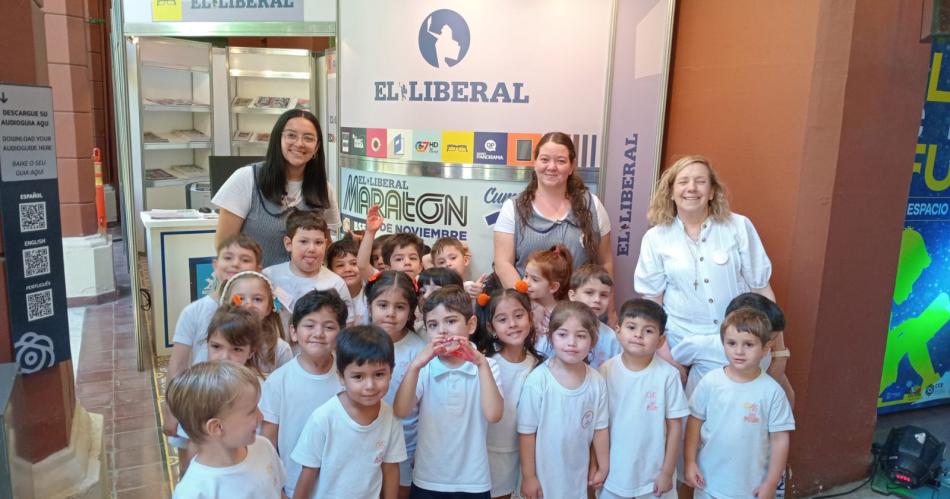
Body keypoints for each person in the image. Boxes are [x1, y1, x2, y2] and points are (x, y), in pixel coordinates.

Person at [634, 155, 774, 353]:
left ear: (712, 192)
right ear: (671, 193)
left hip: (736, 346)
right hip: (678, 344)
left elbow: (761, 289)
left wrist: (778, 350)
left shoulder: (739, 226)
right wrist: (666, 357)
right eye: (683, 182)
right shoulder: (655, 238)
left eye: (700, 181)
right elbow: (651, 303)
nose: (691, 188)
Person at [393, 286, 503, 498]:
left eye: (451, 321)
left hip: (473, 481)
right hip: (427, 478)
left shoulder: (487, 366)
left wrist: (480, 363)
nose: (442, 330)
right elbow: (401, 410)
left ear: (471, 325)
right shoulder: (424, 367)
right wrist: (415, 366)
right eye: (433, 325)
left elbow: (494, 414)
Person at [163, 234, 262, 469]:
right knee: (193, 467)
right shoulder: (194, 312)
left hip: (239, 412)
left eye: (245, 259)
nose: (235, 264)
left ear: (258, 269)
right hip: (199, 405)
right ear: (215, 265)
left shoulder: (259, 315)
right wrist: (171, 411)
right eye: (228, 257)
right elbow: (177, 364)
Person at [493, 132, 614, 307]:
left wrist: (610, 310)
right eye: (544, 159)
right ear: (535, 163)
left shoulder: (592, 206)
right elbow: (503, 263)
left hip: (580, 317)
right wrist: (529, 306)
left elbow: (606, 262)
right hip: (529, 316)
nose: (551, 167)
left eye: (560, 161)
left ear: (572, 166)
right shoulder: (513, 208)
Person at [684, 308, 794, 499]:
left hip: (751, 489)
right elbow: (694, 422)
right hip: (709, 483)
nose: (739, 351)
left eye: (749, 344)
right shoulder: (710, 382)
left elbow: (780, 439)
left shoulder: (772, 392)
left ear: (766, 348)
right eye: (732, 343)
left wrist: (771, 482)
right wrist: (690, 462)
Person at [213, 109, 341, 267]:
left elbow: (326, 245)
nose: (299, 143)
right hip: (252, 286)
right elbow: (224, 244)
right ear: (278, 139)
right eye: (291, 135)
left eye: (308, 138)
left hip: (303, 288)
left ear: (316, 147)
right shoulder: (247, 178)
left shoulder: (324, 189)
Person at [291, 325, 407, 499]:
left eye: (379, 374)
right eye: (358, 377)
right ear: (341, 377)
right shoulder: (324, 418)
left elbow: (390, 468)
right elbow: (308, 472)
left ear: (391, 371)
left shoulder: (389, 417)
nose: (370, 385)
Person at [259, 289, 346, 498]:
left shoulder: (349, 379)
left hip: (343, 487)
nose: (318, 333)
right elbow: (267, 441)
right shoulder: (279, 381)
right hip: (294, 487)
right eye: (309, 325)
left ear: (341, 333)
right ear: (294, 332)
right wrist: (276, 488)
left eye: (329, 327)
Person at [517, 301, 609, 499]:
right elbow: (526, 433)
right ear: (550, 337)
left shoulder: (596, 381)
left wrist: (603, 466)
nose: (572, 342)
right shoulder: (538, 380)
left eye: (581, 336)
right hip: (543, 480)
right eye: (563, 334)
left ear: (593, 341)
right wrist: (529, 476)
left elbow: (600, 429)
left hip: (577, 477)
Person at [598, 299, 688, 499]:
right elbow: (598, 427)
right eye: (631, 327)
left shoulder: (668, 375)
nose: (638, 335)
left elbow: (675, 427)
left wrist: (666, 472)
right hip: (614, 473)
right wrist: (597, 465)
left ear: (661, 340)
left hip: (654, 477)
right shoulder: (605, 371)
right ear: (618, 330)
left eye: (648, 331)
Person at [167, 361, 285, 499]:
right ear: (216, 427)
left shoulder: (264, 447)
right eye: (252, 411)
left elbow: (278, 492)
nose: (261, 416)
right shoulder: (193, 492)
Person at [473, 289, 544, 499]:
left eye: (519, 316)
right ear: (491, 327)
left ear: (530, 318)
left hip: (525, 454)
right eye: (502, 319)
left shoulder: (538, 365)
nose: (512, 324)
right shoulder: (486, 363)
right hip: (488, 452)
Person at [366, 270, 427, 498]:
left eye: (400, 307)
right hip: (362, 442)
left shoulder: (420, 350)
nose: (390, 314)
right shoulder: (356, 342)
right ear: (370, 305)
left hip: (406, 446)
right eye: (382, 305)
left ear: (411, 311)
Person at [263, 209, 354, 325]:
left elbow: (346, 328)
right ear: (288, 244)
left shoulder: (336, 284)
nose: (312, 249)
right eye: (304, 241)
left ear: (326, 244)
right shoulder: (269, 276)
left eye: (318, 242)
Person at [219, 271, 293, 374]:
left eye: (257, 299)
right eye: (240, 299)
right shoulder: (218, 343)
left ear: (268, 308)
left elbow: (287, 386)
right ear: (226, 305)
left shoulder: (280, 349)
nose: (248, 304)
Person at [521, 245, 573, 355]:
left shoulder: (565, 313)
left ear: (553, 287)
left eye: (535, 279)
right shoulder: (521, 305)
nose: (526, 283)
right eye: (525, 276)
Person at [568, 264, 621, 368]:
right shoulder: (559, 330)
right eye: (589, 293)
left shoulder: (611, 338)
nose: (597, 299)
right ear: (572, 295)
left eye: (603, 295)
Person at [358, 206, 425, 281]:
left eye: (413, 258)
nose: (407, 262)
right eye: (399, 259)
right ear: (388, 268)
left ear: (420, 267)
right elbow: (362, 266)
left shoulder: (425, 284)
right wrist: (370, 232)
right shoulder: (383, 282)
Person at [328, 238, 368, 325]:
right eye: (340, 265)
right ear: (330, 270)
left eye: (354, 263)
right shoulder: (328, 297)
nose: (348, 269)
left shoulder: (371, 291)